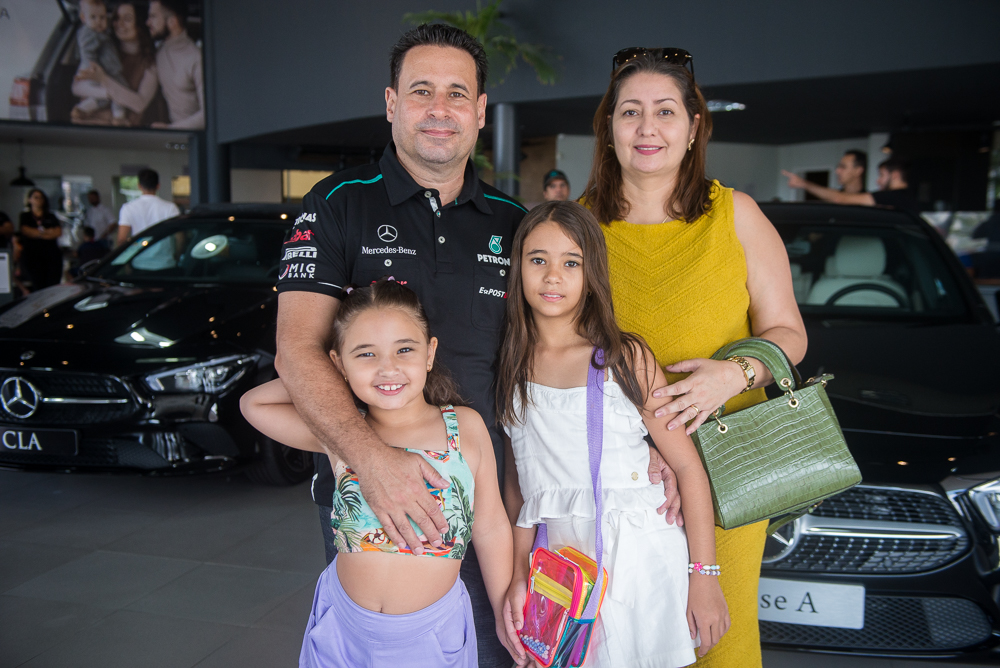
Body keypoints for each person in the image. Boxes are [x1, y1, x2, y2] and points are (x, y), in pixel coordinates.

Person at [274, 24, 529, 668]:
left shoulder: (514, 221)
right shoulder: (337, 203)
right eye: (421, 91)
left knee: (494, 653)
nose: (439, 108)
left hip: (485, 500)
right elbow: (297, 349)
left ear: (480, 111)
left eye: (456, 93)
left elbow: (551, 355)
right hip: (369, 496)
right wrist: (373, 463)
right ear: (391, 103)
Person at [583, 47, 807, 667]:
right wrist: (653, 442)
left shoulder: (736, 215)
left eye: (665, 111)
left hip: (726, 465)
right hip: (619, 476)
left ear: (693, 127)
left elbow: (789, 332)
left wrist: (734, 374)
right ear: (608, 128)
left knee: (718, 645)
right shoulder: (576, 227)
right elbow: (556, 352)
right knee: (621, 644)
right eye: (630, 112)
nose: (647, 128)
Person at [243, 279, 521, 666]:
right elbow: (254, 404)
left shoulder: (464, 427)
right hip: (343, 629)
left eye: (404, 349)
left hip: (431, 634)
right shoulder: (342, 434)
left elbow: (489, 526)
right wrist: (323, 378)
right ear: (338, 363)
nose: (387, 368)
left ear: (429, 353)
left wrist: (502, 607)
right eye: (365, 354)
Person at [501, 202, 729, 667]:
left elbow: (688, 468)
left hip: (641, 556)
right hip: (561, 567)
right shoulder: (511, 363)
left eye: (571, 263)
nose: (552, 276)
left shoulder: (623, 357)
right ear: (517, 266)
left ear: (592, 276)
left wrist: (704, 577)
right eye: (538, 259)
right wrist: (517, 573)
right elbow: (519, 489)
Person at [75, 1, 166, 127]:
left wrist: (103, 80)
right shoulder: (102, 47)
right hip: (88, 124)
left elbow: (139, 104)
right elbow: (77, 87)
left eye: (127, 19)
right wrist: (107, 92)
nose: (120, 24)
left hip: (123, 130)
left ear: (139, 24)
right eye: (116, 18)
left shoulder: (150, 62)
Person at [782, 157, 920, 216]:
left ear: (895, 175)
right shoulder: (906, 198)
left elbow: (840, 199)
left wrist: (803, 183)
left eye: (882, 175)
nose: (878, 181)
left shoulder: (894, 197)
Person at [147, 0, 204, 129]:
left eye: (153, 17)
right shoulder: (159, 53)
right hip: (172, 135)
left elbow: (208, 115)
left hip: (193, 137)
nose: (148, 22)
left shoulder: (196, 58)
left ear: (172, 22)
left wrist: (170, 129)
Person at [71, 0, 128, 124]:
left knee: (103, 98)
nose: (99, 21)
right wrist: (93, 68)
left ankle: (82, 109)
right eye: (93, 17)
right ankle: (119, 117)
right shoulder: (89, 34)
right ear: (83, 18)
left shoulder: (100, 32)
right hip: (103, 71)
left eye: (102, 17)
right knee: (121, 89)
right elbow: (87, 53)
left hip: (106, 70)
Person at [116, 168, 179, 245]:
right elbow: (179, 237)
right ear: (158, 186)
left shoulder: (128, 208)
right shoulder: (170, 208)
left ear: (139, 186)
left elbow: (121, 239)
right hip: (164, 252)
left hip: (139, 251)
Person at [17, 189, 64, 291]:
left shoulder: (51, 216)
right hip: (33, 257)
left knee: (52, 285)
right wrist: (47, 232)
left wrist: (38, 233)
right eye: (36, 197)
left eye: (41, 197)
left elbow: (57, 232)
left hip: (51, 256)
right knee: (37, 285)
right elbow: (26, 231)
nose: (38, 200)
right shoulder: (25, 216)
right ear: (29, 200)